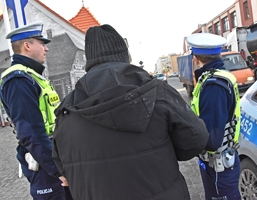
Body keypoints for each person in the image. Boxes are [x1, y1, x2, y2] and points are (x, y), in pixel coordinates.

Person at [52, 24, 210, 200]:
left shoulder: (66, 112)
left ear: (89, 59)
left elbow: (62, 165)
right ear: (124, 55)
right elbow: (196, 139)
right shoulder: (158, 91)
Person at [0, 22, 73, 200]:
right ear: (27, 45)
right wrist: (57, 170)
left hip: (53, 155)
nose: (46, 49)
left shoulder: (31, 76)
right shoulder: (18, 80)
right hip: (45, 164)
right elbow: (31, 132)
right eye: (41, 43)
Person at [188, 33, 241, 200]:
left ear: (195, 58)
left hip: (219, 166)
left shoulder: (213, 86)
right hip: (220, 163)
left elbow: (211, 139)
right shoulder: (221, 76)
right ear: (219, 55)